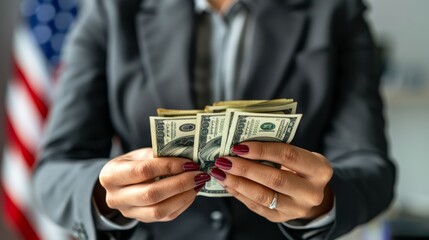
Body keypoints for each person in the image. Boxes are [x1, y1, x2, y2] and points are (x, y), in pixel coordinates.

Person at [32, 0, 396, 239]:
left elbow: (371, 168)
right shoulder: (111, 9)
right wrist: (105, 194)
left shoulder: (335, 10)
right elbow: (55, 170)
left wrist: (321, 203)